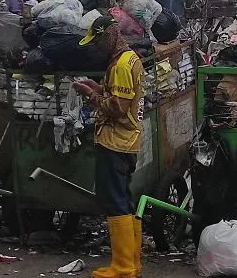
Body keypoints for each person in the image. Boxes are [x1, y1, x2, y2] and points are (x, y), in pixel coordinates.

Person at [72, 15, 144, 278]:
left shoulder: (123, 64)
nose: (96, 47)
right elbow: (117, 94)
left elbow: (117, 107)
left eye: (99, 40)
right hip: (127, 142)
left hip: (116, 142)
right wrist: (98, 87)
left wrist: (90, 95)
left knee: (114, 202)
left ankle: (123, 267)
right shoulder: (127, 59)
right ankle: (132, 264)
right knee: (124, 201)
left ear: (111, 34)